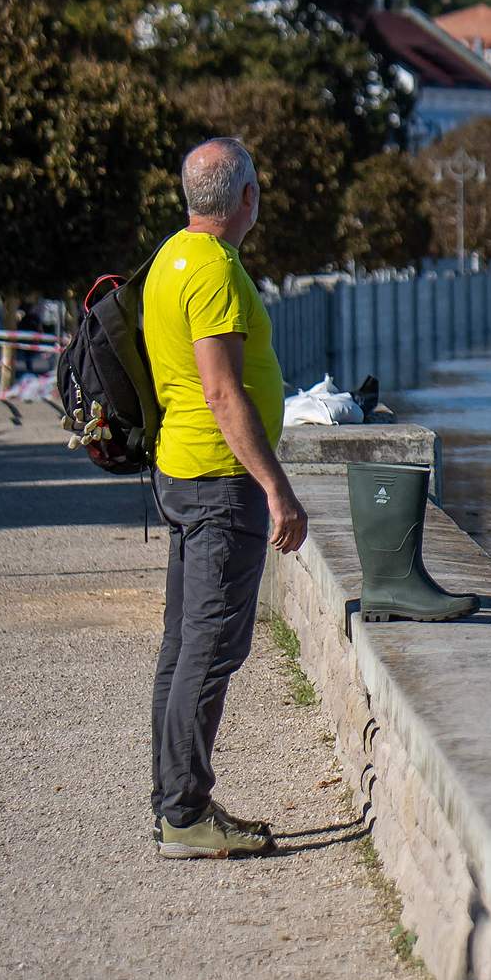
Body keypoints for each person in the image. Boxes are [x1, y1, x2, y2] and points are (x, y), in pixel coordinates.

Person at [142, 137, 307, 858]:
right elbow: (220, 390)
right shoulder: (212, 270)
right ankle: (184, 814)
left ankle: (175, 802)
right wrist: (277, 488)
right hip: (218, 484)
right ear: (246, 197)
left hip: (182, 470)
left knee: (184, 647)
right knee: (208, 650)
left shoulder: (169, 258)